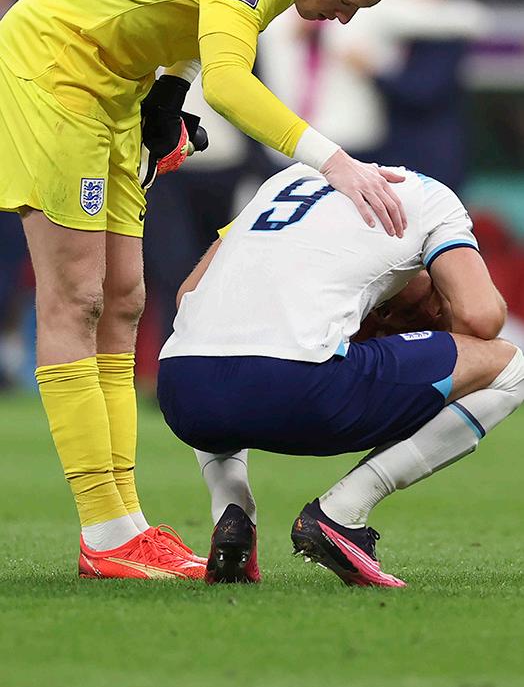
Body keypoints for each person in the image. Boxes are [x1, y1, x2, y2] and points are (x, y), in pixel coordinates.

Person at [0, 0, 407, 580]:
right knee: (76, 297)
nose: (344, 18)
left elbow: (200, 15)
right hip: (56, 74)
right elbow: (228, 82)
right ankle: (104, 530)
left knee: (125, 299)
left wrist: (167, 94)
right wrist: (335, 163)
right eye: (346, 1)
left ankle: (127, 526)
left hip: (119, 86)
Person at [157, 163, 524, 588]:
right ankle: (342, 514)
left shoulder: (285, 179)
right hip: (298, 389)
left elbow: (189, 295)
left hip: (183, 392)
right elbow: (480, 317)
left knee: (215, 337)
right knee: (510, 366)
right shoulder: (432, 197)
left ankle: (231, 516)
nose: (392, 323)